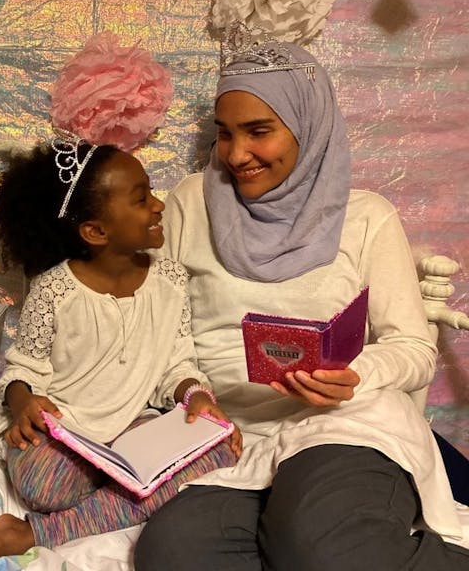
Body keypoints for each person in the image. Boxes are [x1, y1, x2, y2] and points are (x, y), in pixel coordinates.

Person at [134, 36, 469, 570]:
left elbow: (413, 348)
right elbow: (162, 331)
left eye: (259, 131)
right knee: (171, 551)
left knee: (316, 546)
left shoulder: (366, 217)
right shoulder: (190, 203)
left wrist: (357, 373)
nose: (237, 154)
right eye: (225, 134)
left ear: (307, 129)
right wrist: (192, 390)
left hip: (344, 424)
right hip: (234, 441)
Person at [0, 135, 241, 571]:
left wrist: (195, 395)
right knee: (44, 487)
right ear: (96, 231)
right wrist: (25, 402)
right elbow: (22, 369)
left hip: (133, 429)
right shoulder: (55, 291)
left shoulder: (171, 281)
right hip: (68, 432)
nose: (159, 205)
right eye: (142, 199)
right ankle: (120, 489)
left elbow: (178, 364)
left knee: (224, 450)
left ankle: (29, 533)